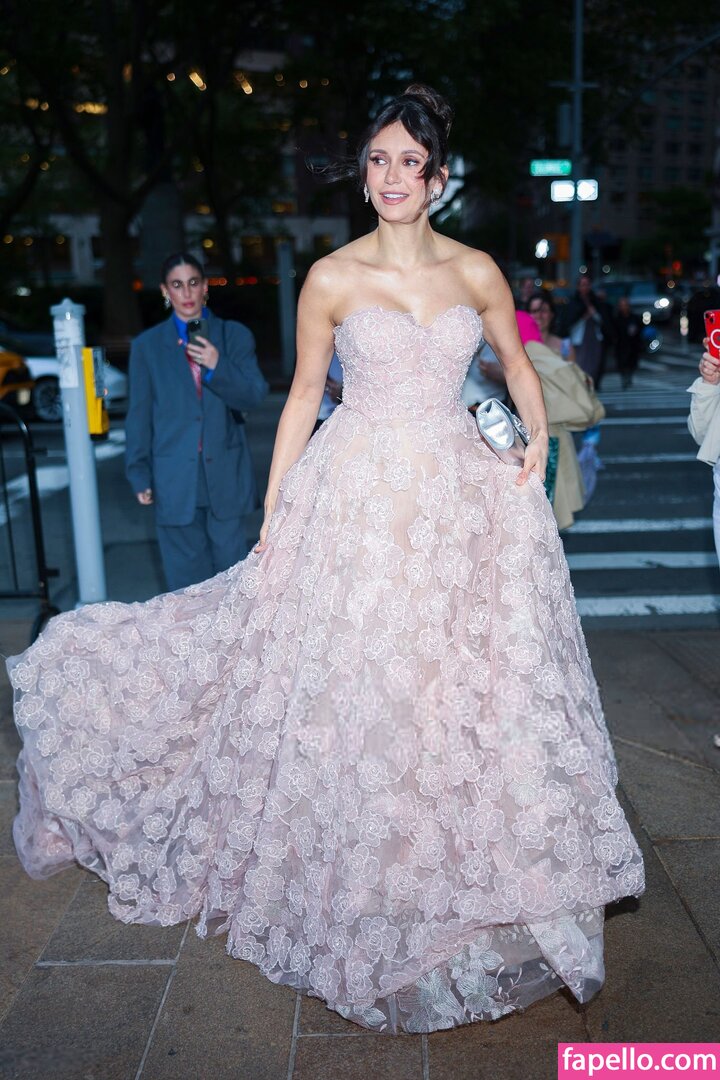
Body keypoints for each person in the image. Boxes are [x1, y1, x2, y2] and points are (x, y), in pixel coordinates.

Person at [7, 85, 644, 1036]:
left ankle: (459, 854)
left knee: (461, 681)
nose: (391, 177)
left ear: (437, 177)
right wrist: (277, 506)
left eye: (409, 162)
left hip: (456, 498)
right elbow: (305, 394)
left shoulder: (475, 269)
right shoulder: (332, 277)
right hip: (356, 495)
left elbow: (516, 364)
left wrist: (534, 439)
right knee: (363, 678)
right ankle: (371, 862)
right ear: (364, 172)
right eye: (378, 160)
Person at [125, 253, 269, 590]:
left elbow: (254, 395)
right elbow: (139, 415)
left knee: (229, 586)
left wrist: (218, 366)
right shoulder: (148, 347)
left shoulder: (233, 336)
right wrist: (138, 471)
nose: (186, 292)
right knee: (185, 589)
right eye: (177, 285)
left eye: (193, 283)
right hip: (173, 477)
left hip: (225, 477)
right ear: (165, 291)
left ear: (205, 287)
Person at [563, 274, 612, 388]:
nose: (585, 287)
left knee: (595, 364)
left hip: (595, 338)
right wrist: (583, 317)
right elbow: (569, 321)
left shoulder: (595, 301)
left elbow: (603, 319)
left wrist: (593, 313)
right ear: (578, 287)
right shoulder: (573, 302)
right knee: (580, 363)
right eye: (583, 284)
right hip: (579, 339)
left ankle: (592, 385)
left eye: (587, 284)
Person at [526, 291, 575, 362]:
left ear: (552, 315)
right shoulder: (519, 345)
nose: (538, 316)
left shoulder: (565, 346)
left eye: (543, 311)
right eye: (534, 311)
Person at [613, 297, 643, 389]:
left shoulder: (634, 317)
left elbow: (640, 328)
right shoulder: (616, 318)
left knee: (632, 362)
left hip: (633, 344)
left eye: (625, 305)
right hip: (621, 344)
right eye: (622, 305)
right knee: (622, 362)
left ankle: (629, 376)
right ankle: (624, 377)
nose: (624, 307)